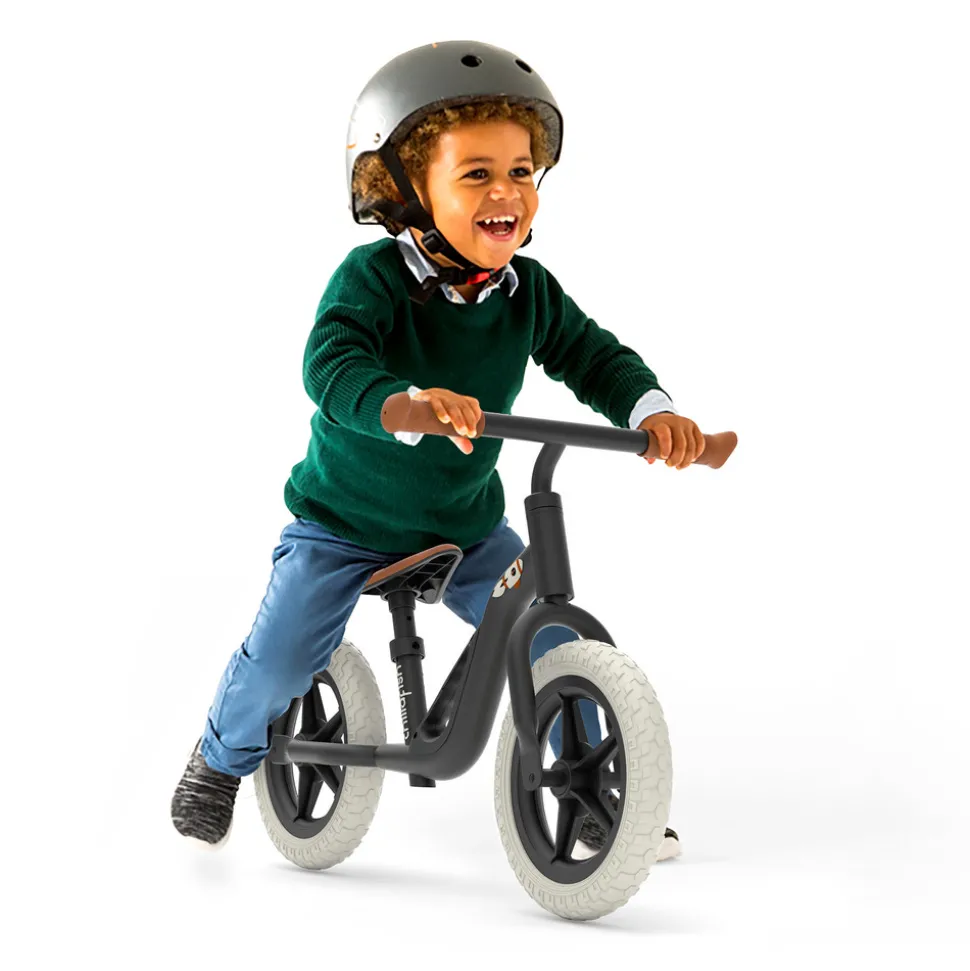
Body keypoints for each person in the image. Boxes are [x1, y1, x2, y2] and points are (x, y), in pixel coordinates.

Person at [172, 41, 702, 862]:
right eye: (476, 174)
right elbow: (332, 363)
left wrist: (652, 410)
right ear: (407, 190)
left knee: (555, 640)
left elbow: (591, 354)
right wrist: (405, 404)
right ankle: (218, 758)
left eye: (521, 171)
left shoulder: (529, 292)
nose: (506, 192)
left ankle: (600, 796)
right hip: (343, 523)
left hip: (465, 524)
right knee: (280, 661)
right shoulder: (373, 278)